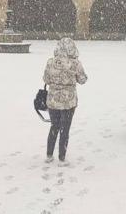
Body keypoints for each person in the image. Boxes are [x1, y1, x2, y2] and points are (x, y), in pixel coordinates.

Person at [43, 37, 87, 165]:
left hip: (53, 100)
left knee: (54, 126)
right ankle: (62, 157)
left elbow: (46, 79)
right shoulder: (75, 63)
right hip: (69, 101)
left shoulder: (51, 62)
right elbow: (82, 80)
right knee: (65, 129)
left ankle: (49, 155)